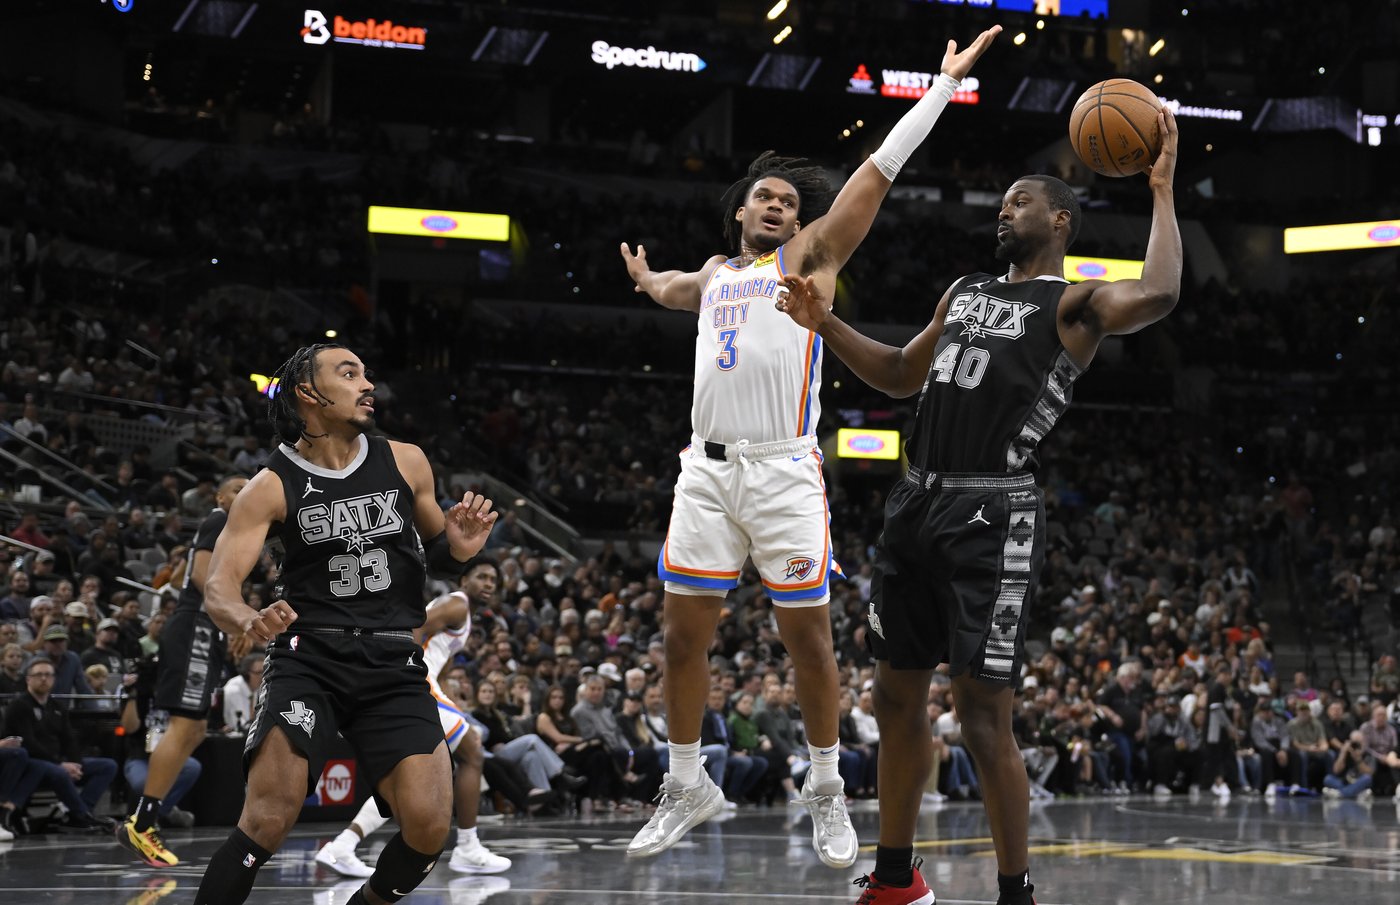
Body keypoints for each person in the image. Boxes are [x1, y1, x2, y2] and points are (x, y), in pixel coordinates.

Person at [618, 23, 1002, 870]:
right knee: (683, 640)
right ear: (739, 210)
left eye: (789, 200)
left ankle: (828, 786)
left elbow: (876, 174)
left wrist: (937, 90)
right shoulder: (717, 273)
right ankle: (688, 782)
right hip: (704, 471)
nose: (780, 206)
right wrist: (647, 281)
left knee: (810, 642)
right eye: (766, 197)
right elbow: (677, 290)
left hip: (783, 470)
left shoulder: (813, 257)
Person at [777, 108, 1181, 903]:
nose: (1004, 209)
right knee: (895, 696)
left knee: (983, 715)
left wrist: (1161, 189)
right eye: (1002, 201)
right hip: (915, 502)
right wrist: (825, 323)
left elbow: (1163, 290)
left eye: (1020, 200)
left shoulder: (1073, 306)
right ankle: (896, 877)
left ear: (1060, 220)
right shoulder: (963, 291)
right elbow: (898, 372)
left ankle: (1015, 891)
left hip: (992, 515)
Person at [190, 343, 499, 905]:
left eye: (366, 373)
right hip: (311, 660)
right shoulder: (270, 485)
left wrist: (460, 544)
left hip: (392, 661)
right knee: (267, 818)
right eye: (348, 373)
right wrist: (248, 617)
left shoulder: (405, 459)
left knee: (429, 827)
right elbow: (218, 587)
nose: (366, 384)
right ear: (309, 393)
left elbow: (441, 541)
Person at [316, 590, 510, 878]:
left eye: (493, 580)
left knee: (407, 780)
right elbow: (415, 629)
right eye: (481, 576)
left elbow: (441, 660)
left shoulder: (465, 616)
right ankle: (468, 846)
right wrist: (410, 672)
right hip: (416, 677)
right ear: (464, 577)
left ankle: (343, 845)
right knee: (473, 750)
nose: (487, 583)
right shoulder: (457, 603)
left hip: (425, 680)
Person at [115, 475, 249, 868]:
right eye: (238, 489)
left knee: (191, 729)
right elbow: (199, 579)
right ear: (219, 496)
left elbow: (178, 578)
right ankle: (142, 822)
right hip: (196, 626)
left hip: (204, 628)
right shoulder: (218, 520)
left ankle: (145, 819)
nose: (245, 494)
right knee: (184, 725)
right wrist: (240, 619)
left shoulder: (229, 527)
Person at [1, 657, 119, 830]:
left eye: (48, 675)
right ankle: (82, 816)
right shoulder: (19, 706)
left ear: (54, 679)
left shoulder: (57, 706)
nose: (43, 679)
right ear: (28, 679)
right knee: (56, 771)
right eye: (39, 674)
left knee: (108, 766)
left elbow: (70, 739)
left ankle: (78, 812)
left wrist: (75, 763)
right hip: (32, 763)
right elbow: (28, 743)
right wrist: (60, 764)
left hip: (58, 762)